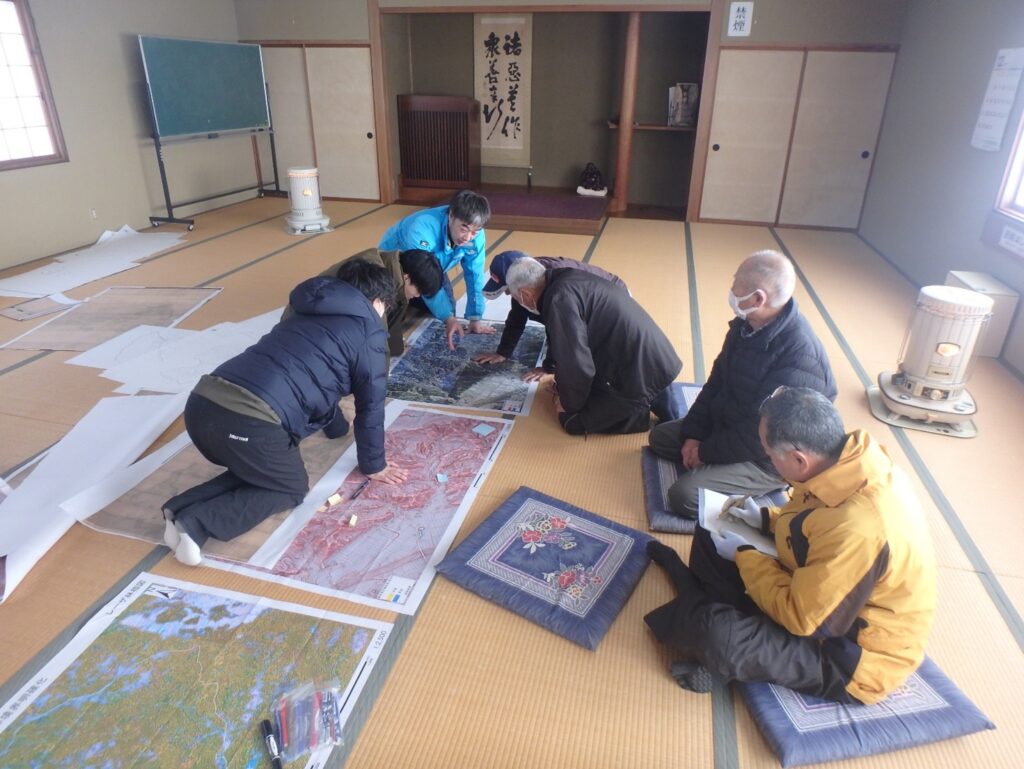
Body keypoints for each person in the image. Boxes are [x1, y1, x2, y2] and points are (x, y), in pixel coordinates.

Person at [644, 387, 937, 704]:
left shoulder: (861, 528)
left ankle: (719, 629)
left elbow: (803, 620)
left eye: (770, 456)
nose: (768, 459)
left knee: (717, 633)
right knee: (712, 529)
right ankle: (724, 620)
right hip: (816, 588)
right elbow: (814, 521)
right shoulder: (845, 465)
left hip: (846, 655)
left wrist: (746, 556)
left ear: (799, 459)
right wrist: (765, 519)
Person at [161, 259, 408, 567]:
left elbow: (311, 381)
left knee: (261, 471)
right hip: (249, 421)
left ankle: (179, 510)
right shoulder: (368, 332)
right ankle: (196, 525)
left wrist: (338, 428)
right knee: (289, 487)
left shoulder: (304, 311)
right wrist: (374, 465)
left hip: (202, 405)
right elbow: (370, 406)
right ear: (378, 302)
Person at [648, 249, 836, 519]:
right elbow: (716, 381)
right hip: (730, 422)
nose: (732, 290)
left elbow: (759, 436)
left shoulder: (800, 356)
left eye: (736, 285)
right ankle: (715, 470)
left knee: (685, 496)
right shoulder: (746, 324)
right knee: (660, 438)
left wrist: (705, 453)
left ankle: (764, 494)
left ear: (758, 298)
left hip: (769, 454)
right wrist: (694, 435)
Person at [504, 256, 681, 435]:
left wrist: (567, 403)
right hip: (660, 359)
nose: (519, 303)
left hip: (639, 374)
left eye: (516, 298)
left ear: (525, 294)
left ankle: (639, 414)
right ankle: (659, 403)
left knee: (571, 421)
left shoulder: (558, 299)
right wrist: (554, 372)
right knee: (580, 390)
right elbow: (562, 341)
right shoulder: (565, 277)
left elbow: (577, 365)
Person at [473, 250, 629, 381]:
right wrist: (503, 352)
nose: (507, 294)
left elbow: (560, 329)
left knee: (586, 356)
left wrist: (549, 368)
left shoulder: (552, 288)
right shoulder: (525, 278)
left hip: (613, 303)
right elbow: (517, 316)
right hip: (589, 299)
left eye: (507, 290)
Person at [379, 189, 494, 350]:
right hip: (398, 269)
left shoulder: (476, 235)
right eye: (464, 229)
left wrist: (475, 318)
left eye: (474, 232)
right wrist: (448, 318)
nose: (468, 237)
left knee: (447, 310)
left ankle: (414, 303)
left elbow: (475, 273)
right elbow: (422, 273)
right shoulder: (422, 227)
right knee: (391, 308)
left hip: (434, 268)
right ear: (451, 215)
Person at [285, 247, 443, 357]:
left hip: (313, 321)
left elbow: (391, 317)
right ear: (407, 277)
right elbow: (374, 333)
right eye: (418, 290)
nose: (417, 296)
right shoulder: (375, 278)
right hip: (305, 331)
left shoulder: (392, 267)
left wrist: (396, 347)